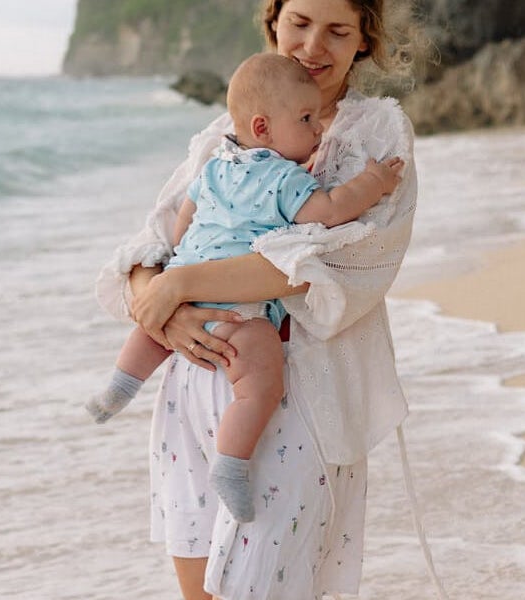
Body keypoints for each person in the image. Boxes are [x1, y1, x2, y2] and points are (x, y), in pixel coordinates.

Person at [94, 0, 420, 597]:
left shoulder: (376, 135)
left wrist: (181, 286)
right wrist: (162, 311)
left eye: (337, 30)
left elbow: (322, 266)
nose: (313, 46)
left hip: (299, 394)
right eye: (299, 22)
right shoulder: (227, 135)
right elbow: (152, 248)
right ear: (273, 22)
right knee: (199, 589)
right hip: (190, 386)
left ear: (364, 40)